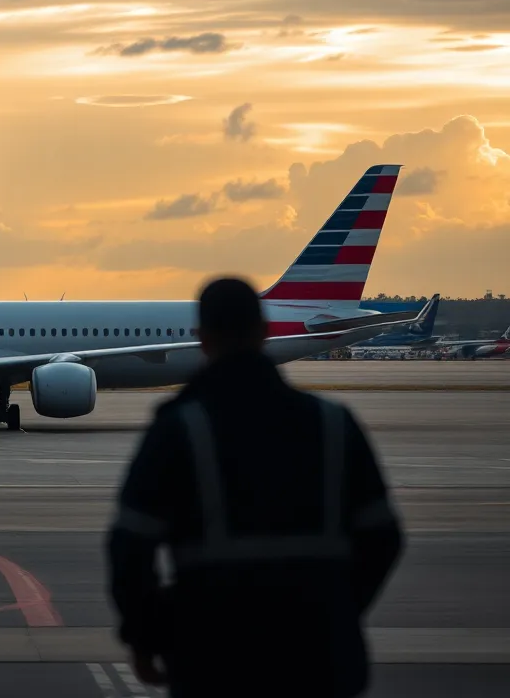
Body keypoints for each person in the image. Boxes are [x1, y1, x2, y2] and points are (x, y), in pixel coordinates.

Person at [107, 277, 403, 698]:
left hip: (213, 655)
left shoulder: (179, 430)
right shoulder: (334, 424)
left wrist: (149, 636)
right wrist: (338, 612)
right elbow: (384, 539)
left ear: (203, 339)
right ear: (265, 332)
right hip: (320, 656)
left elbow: (129, 552)